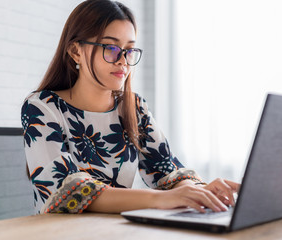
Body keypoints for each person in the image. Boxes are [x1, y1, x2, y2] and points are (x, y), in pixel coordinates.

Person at [21, 0, 239, 215]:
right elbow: (65, 190)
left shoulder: (134, 107)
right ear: (75, 51)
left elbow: (167, 172)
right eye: (111, 48)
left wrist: (198, 192)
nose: (123, 60)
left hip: (116, 231)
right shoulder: (42, 108)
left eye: (130, 50)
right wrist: (160, 199)